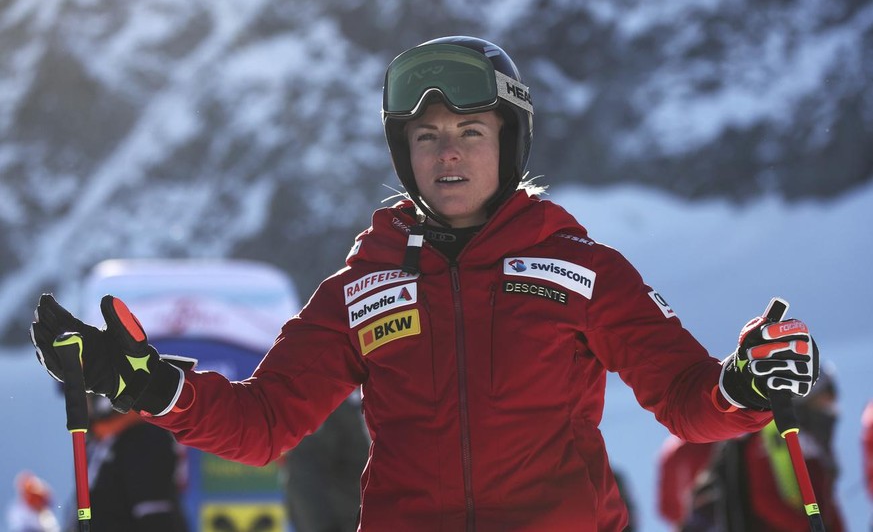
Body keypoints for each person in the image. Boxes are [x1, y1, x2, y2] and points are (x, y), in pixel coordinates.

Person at [29, 36, 821, 531]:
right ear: (402, 152)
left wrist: (742, 386)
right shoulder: (363, 285)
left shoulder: (582, 270)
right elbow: (264, 423)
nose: (447, 154)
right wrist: (153, 388)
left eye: (469, 134)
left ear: (508, 143)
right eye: (426, 136)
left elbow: (684, 398)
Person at [680, 366, 845, 531]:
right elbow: (764, 499)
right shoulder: (771, 433)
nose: (829, 406)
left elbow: (826, 499)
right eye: (823, 397)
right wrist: (807, 527)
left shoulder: (812, 438)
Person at [66, 394, 189, 532]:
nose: (76, 407)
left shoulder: (143, 436)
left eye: (84, 395)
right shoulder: (98, 443)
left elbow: (155, 514)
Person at [280, 390, 370, 532]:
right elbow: (305, 471)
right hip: (326, 512)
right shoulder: (329, 406)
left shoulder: (352, 404)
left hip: (344, 509)